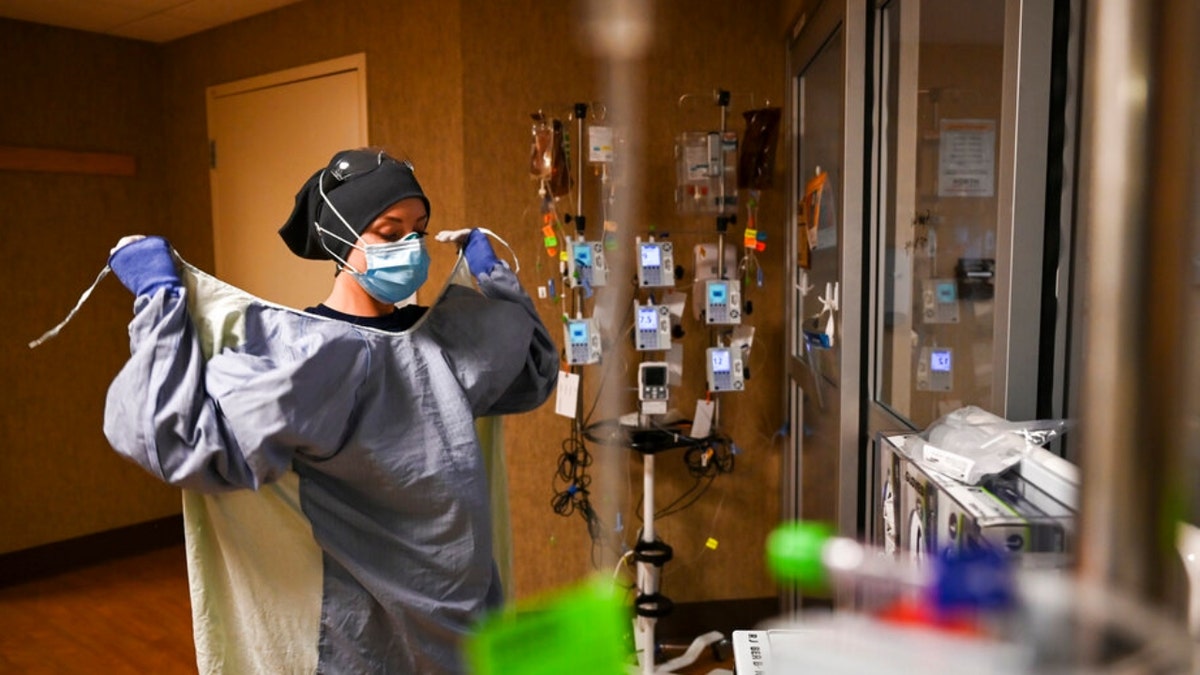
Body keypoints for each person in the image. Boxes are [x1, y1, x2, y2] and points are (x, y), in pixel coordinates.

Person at [103, 149, 558, 674]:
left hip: (468, 624)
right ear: (342, 239)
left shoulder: (444, 343)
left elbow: (532, 372)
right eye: (391, 233)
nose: (411, 247)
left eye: (420, 231)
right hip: (366, 638)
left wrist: (493, 275)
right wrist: (159, 302)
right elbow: (179, 441)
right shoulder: (310, 359)